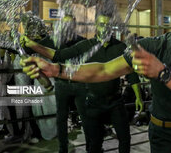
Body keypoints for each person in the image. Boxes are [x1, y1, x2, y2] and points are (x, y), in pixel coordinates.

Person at [21, 0, 171, 153]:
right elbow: (104, 69)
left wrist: (162, 73)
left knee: (124, 140)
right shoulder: (153, 46)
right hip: (164, 135)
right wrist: (55, 69)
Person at [23, 13, 144, 153]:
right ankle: (65, 148)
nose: (105, 28)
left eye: (108, 25)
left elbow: (132, 73)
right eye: (102, 24)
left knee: (123, 139)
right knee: (91, 139)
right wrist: (31, 44)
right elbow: (59, 55)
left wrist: (138, 96)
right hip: (85, 97)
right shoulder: (82, 45)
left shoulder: (118, 47)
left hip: (111, 100)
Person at [21, 14, 87, 153]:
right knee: (61, 119)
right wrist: (22, 41)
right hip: (61, 85)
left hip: (79, 84)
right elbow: (31, 48)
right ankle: (63, 148)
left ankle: (91, 146)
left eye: (70, 24)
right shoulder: (51, 40)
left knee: (86, 117)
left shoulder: (82, 42)